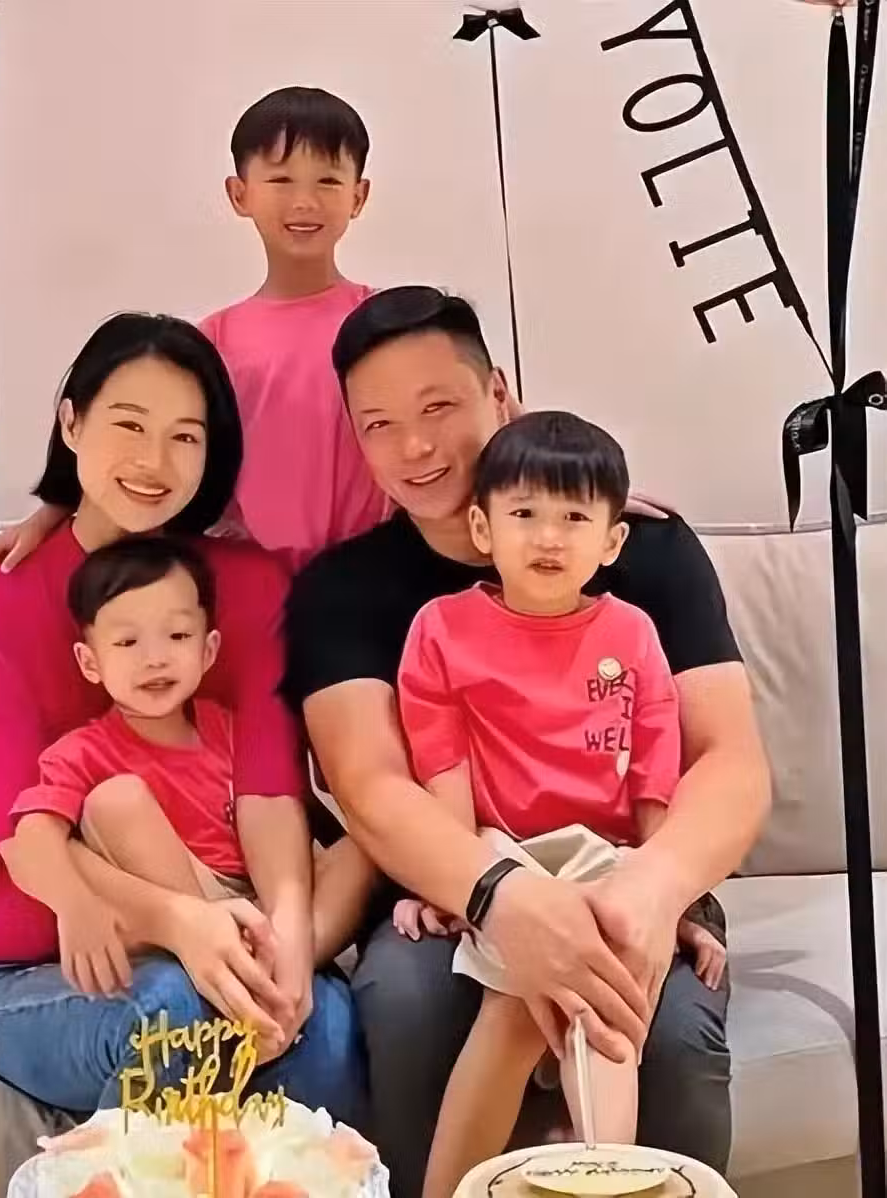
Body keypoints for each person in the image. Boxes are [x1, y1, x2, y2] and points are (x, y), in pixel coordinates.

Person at [281, 286, 771, 1196]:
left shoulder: (646, 552)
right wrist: (498, 895)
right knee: (408, 1002)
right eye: (379, 426)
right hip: (447, 883)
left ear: (500, 394)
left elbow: (729, 762)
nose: (415, 448)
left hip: (630, 867)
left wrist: (654, 888)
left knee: (669, 1034)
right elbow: (370, 782)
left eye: (438, 407)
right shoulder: (344, 591)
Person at [0, 312, 365, 1125]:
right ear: (71, 423)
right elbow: (18, 835)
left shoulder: (247, 586)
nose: (155, 462)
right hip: (35, 974)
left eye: (186, 437)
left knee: (325, 1022)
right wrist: (181, 922)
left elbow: (268, 789)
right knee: (173, 1008)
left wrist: (291, 949)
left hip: (226, 930)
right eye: (128, 425)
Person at [390, 411, 726, 1198]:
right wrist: (448, 885)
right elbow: (442, 764)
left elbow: (654, 779)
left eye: (574, 517)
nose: (548, 537)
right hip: (500, 857)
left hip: (610, 864)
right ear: (483, 527)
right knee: (516, 1007)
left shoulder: (633, 633)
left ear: (612, 541)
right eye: (524, 513)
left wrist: (676, 903)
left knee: (607, 1004)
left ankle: (610, 1181)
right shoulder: (441, 629)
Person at [0, 86, 387, 579]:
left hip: (367, 577)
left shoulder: (384, 323)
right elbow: (142, 450)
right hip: (243, 582)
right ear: (239, 193)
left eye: (328, 181)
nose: (305, 201)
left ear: (358, 196)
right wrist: (46, 517)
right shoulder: (212, 341)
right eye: (281, 179)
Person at [8, 533, 360, 1002]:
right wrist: (75, 905)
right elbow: (29, 837)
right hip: (176, 906)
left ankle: (272, 967)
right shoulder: (83, 752)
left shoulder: (232, 730)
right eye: (127, 641)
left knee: (365, 841)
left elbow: (293, 820)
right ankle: (226, 962)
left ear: (208, 650)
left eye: (177, 636)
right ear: (90, 662)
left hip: (260, 899)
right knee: (115, 799)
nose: (155, 659)